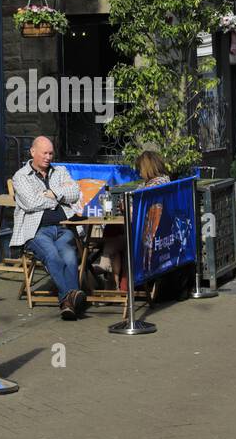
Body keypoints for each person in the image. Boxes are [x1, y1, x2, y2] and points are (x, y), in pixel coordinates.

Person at [10, 136, 87, 319]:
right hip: (36, 231)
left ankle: (68, 303)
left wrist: (53, 193)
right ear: (33, 152)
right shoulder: (21, 176)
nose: (48, 157)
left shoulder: (60, 171)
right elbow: (30, 203)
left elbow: (75, 192)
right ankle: (71, 297)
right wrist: (58, 199)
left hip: (63, 227)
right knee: (52, 256)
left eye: (50, 153)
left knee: (69, 257)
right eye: (44, 153)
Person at [102, 150, 171, 292]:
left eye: (140, 169)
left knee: (112, 235)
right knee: (113, 231)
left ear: (147, 168)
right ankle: (114, 280)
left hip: (146, 236)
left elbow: (137, 212)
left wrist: (125, 206)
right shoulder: (161, 181)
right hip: (153, 234)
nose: (139, 173)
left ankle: (110, 276)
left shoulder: (154, 186)